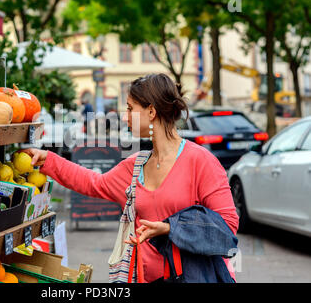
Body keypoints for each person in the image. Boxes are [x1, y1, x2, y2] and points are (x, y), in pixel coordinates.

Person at [22, 73, 239, 283]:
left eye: (130, 108)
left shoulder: (201, 162)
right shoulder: (136, 165)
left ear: (151, 112)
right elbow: (94, 183)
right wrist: (48, 160)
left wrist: (170, 228)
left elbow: (227, 225)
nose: (125, 117)